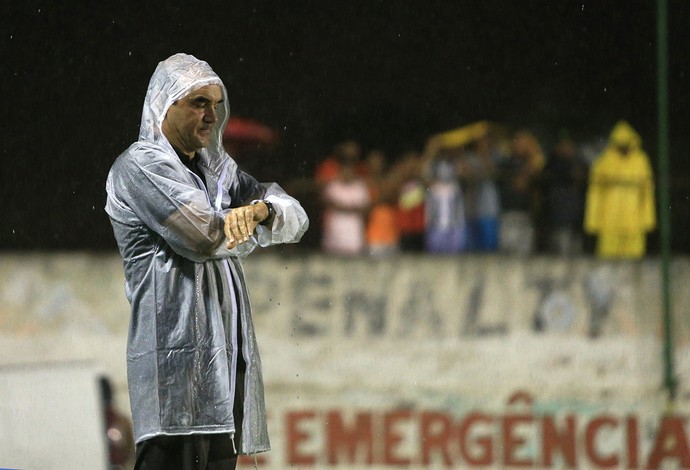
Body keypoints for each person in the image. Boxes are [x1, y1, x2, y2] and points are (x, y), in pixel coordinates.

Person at [104, 53, 309, 470]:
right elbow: (201, 237)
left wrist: (260, 211)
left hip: (223, 370)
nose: (211, 115)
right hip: (173, 375)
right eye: (199, 102)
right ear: (166, 104)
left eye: (216, 104)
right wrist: (242, 218)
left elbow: (295, 215)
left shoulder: (218, 171)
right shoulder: (139, 166)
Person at [584, 120, 656, 259]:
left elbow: (647, 192)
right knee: (607, 260)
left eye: (626, 145)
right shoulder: (604, 162)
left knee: (635, 262)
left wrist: (648, 219)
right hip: (609, 221)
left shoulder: (641, 160)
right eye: (620, 145)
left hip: (634, 221)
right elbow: (595, 193)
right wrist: (593, 221)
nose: (624, 149)